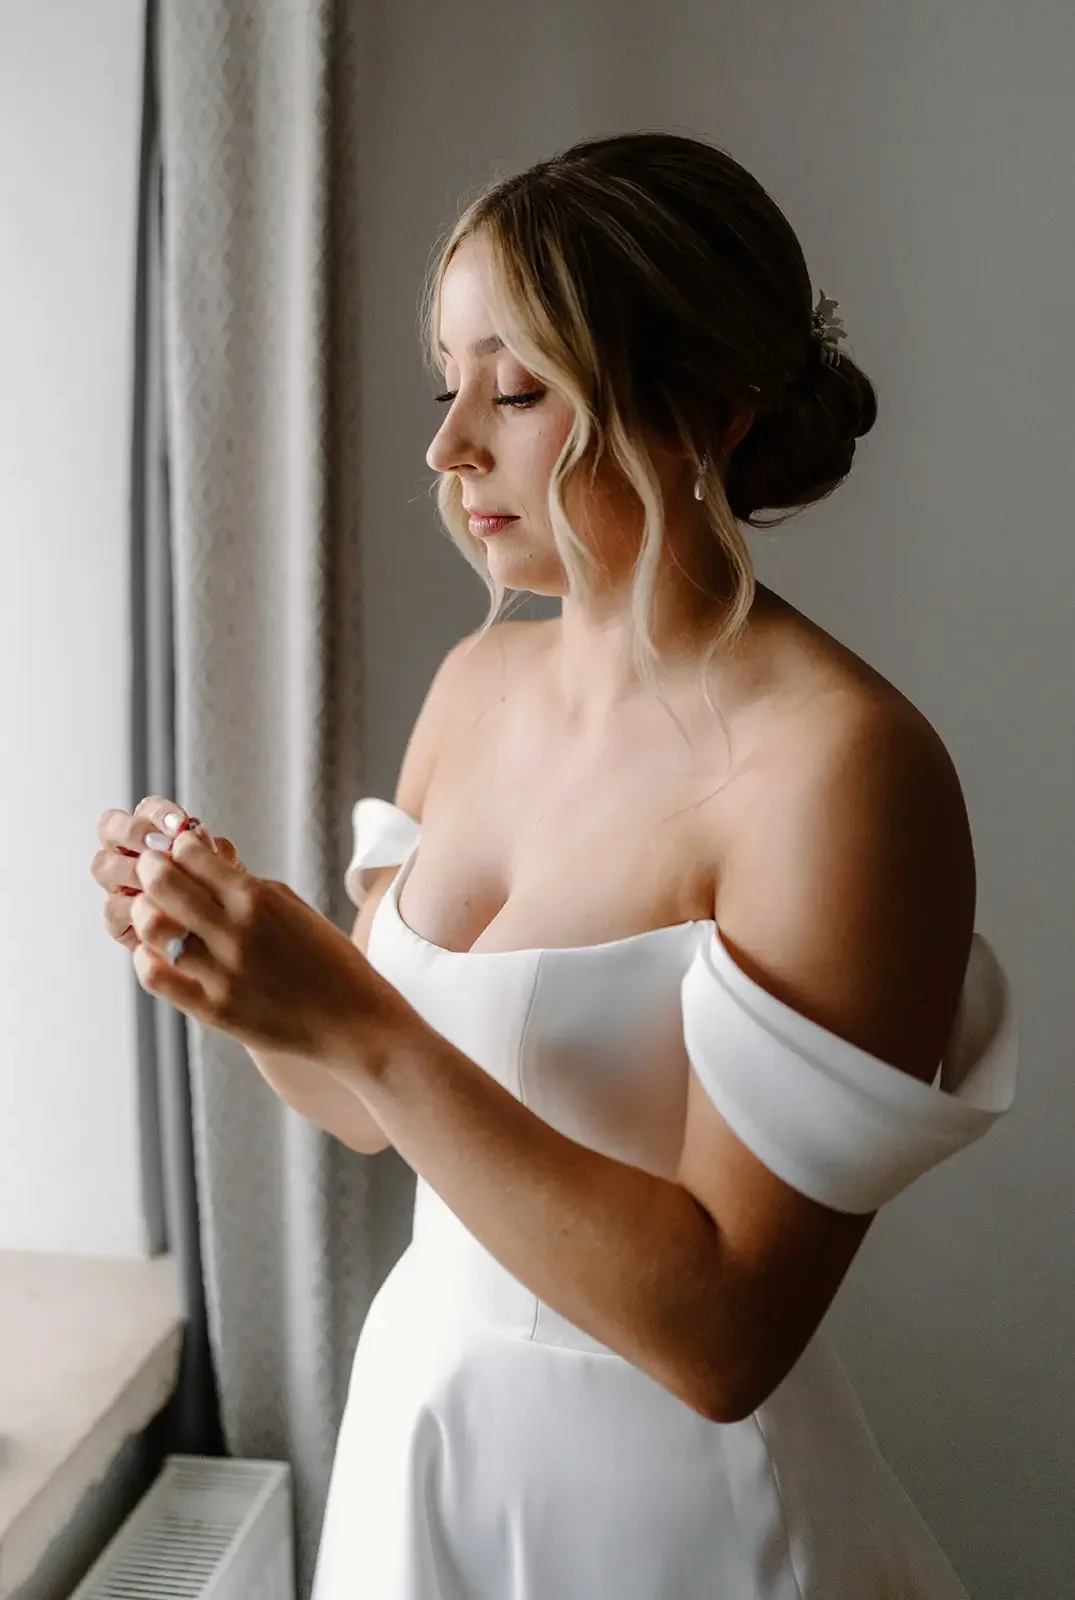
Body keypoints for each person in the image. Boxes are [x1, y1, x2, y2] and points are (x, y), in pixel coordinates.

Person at [94, 131, 1018, 1597]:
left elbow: (724, 1337)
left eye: (516, 391)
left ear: (709, 410)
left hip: (674, 1520)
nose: (448, 443)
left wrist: (355, 1017)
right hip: (429, 1439)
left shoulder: (840, 769)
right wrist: (235, 965)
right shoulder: (476, 687)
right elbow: (367, 1108)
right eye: (446, 382)